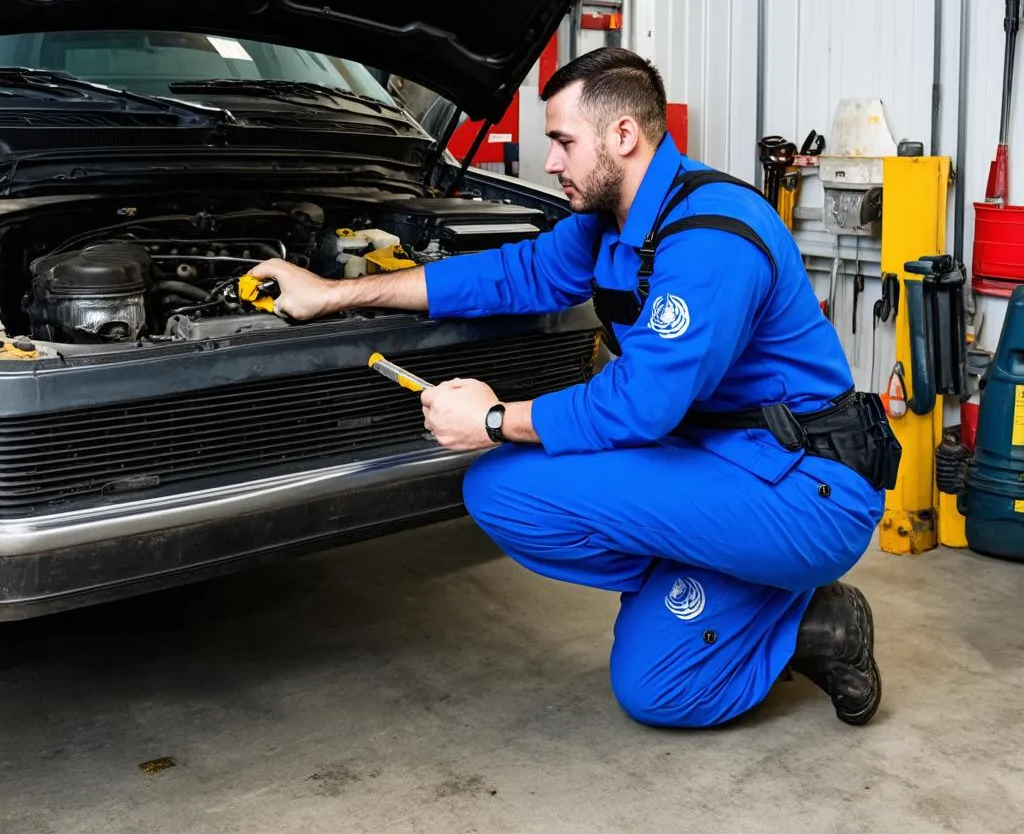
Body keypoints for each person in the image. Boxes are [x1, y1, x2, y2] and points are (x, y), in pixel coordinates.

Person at [251, 47, 901, 730]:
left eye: (562, 141)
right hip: (715, 462)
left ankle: (817, 615)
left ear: (623, 135)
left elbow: (643, 403)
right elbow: (505, 276)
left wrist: (496, 418)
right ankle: (746, 584)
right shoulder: (609, 226)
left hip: (804, 488)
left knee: (663, 695)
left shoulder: (711, 240)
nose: (551, 162)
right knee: (510, 502)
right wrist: (335, 293)